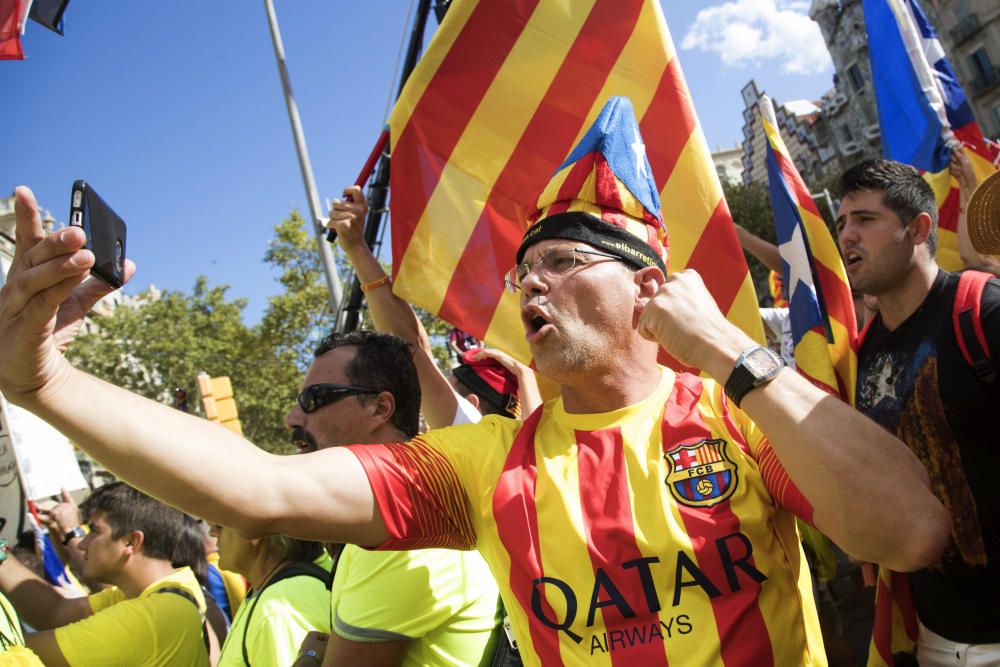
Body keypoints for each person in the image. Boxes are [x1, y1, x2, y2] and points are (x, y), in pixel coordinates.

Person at [0, 96, 948, 665]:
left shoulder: (740, 414)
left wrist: (735, 356)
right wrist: (47, 379)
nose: (530, 281)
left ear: (652, 287)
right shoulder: (485, 464)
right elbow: (261, 482)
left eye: (566, 259)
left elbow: (910, 532)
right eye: (523, 269)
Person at [837, 158, 1000, 665]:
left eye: (864, 220)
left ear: (919, 228)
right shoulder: (859, 354)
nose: (846, 238)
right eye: (841, 224)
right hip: (934, 639)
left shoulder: (983, 312)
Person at [285, 331, 500, 666]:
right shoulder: (402, 509)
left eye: (313, 398)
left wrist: (309, 656)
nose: (293, 419)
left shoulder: (403, 528)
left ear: (380, 408)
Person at [327, 187, 541, 428]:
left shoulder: (469, 429)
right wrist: (524, 375)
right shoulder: (523, 444)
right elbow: (419, 344)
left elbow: (409, 346)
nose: (424, 405)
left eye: (442, 390)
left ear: (471, 404)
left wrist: (357, 248)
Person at [0, 482, 209, 666]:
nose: (82, 543)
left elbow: (15, 652)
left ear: (131, 541)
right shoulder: (167, 589)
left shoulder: (147, 618)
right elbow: (56, 611)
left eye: (94, 531)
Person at [211, 527, 331, 667]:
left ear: (254, 532)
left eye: (220, 526)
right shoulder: (272, 594)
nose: (212, 532)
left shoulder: (278, 607)